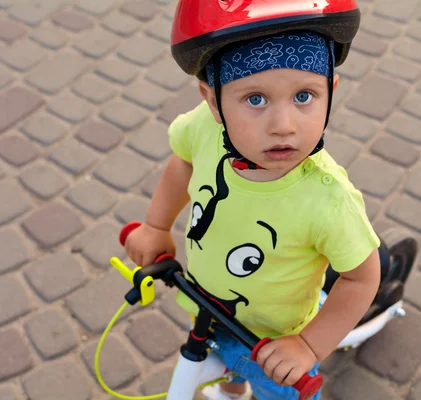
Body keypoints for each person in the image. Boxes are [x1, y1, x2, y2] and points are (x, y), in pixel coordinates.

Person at [124, 1, 381, 399]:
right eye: (256, 99)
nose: (283, 126)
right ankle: (231, 391)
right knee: (226, 367)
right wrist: (156, 225)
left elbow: (362, 276)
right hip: (209, 309)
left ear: (330, 90)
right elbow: (184, 163)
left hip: (276, 345)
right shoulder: (205, 129)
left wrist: (308, 346)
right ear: (213, 102)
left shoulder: (328, 201)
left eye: (304, 96)